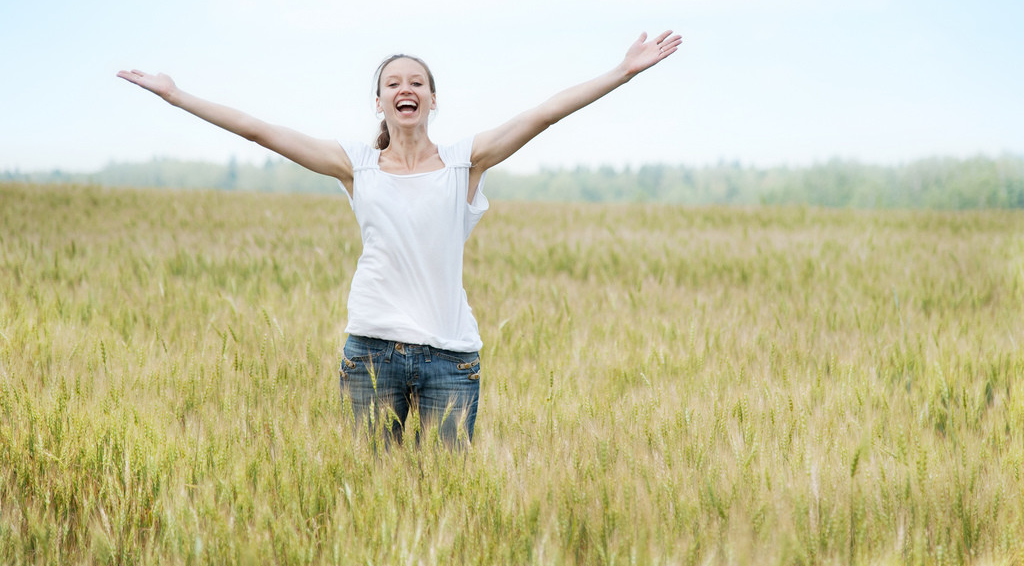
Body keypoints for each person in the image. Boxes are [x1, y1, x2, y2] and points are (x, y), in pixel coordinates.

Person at [117, 30, 682, 447]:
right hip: (371, 350)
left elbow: (544, 115)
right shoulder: (356, 165)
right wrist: (177, 95)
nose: (405, 89)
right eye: (393, 83)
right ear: (380, 102)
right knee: (370, 497)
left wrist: (622, 72)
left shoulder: (465, 162)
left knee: (447, 502)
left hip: (451, 359)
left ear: (433, 100)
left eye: (416, 83)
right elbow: (260, 131)